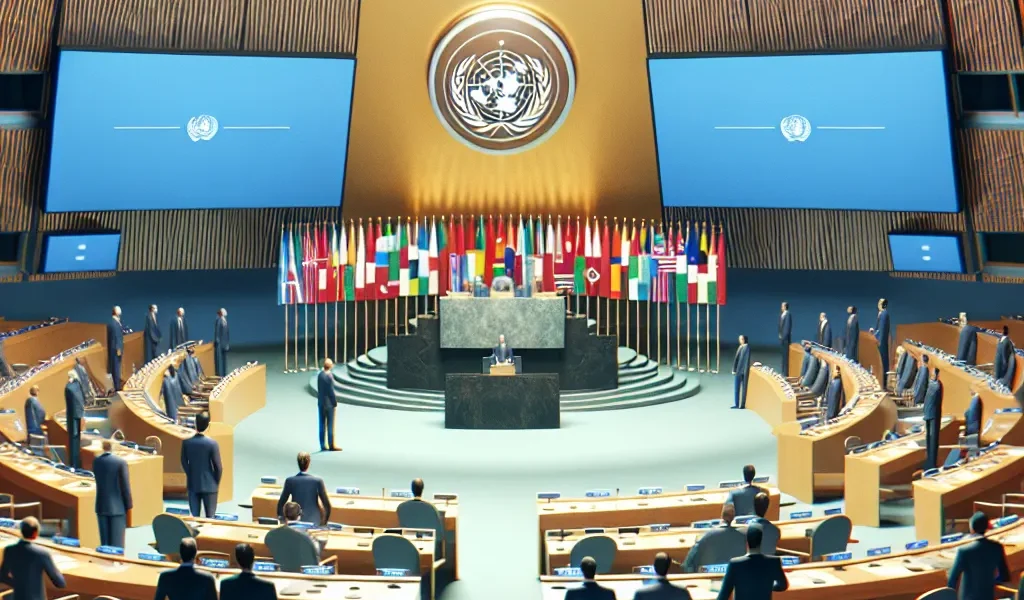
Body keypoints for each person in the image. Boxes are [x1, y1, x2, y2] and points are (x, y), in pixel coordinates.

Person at [0, 517, 66, 600]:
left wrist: (19, 585)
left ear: (21, 531)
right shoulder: (42, 553)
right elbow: (60, 583)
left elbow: (2, 576)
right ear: (35, 533)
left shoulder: (9, 550)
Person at [716, 524, 788, 600]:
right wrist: (767, 586)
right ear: (760, 542)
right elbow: (783, 586)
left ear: (747, 543)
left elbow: (723, 596)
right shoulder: (773, 562)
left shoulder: (735, 564)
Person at [947, 511, 1009, 599]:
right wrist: (989, 581)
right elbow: (1005, 577)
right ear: (987, 527)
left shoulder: (964, 550)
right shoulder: (997, 547)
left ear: (972, 528)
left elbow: (952, 580)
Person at [683, 503, 745, 573]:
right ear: (734, 517)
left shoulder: (703, 537)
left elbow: (687, 566)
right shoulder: (745, 538)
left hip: (707, 578)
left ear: (722, 516)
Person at [181, 411, 222, 517]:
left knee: (195, 517)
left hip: (193, 484)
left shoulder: (187, 442)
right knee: (210, 518)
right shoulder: (212, 444)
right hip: (210, 485)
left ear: (195, 424)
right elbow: (218, 467)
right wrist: (215, 482)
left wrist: (190, 474)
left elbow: (184, 462)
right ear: (208, 425)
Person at [93, 439, 133, 548]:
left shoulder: (96, 461)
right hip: (118, 508)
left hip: (101, 506)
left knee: (105, 545)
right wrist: (129, 505)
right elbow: (125, 486)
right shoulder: (120, 462)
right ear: (113, 447)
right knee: (117, 546)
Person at [277, 452, 331, 526]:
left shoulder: (290, 481)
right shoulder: (318, 481)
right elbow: (327, 505)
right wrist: (324, 523)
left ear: (298, 462)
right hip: (314, 521)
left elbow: (280, 504)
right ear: (309, 462)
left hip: (295, 521)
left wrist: (282, 521)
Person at [317, 359, 340, 452]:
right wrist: (334, 402)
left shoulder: (320, 375)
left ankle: (322, 445)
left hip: (321, 402)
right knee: (330, 425)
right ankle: (331, 445)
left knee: (322, 424)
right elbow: (331, 391)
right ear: (330, 366)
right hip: (329, 404)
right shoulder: (330, 376)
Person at [64, 370, 85, 469]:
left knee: (73, 440)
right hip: (79, 416)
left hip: (73, 417)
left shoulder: (69, 387)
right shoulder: (78, 386)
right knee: (76, 440)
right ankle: (76, 462)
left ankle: (74, 463)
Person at [923, 368, 943, 470]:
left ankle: (932, 463)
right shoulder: (932, 384)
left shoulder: (937, 386)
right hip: (928, 414)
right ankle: (929, 461)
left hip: (933, 415)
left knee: (933, 440)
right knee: (929, 439)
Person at [106, 305, 124, 391]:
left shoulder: (114, 321)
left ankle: (117, 384)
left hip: (114, 348)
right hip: (116, 349)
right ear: (115, 312)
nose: (120, 311)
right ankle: (117, 386)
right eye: (119, 309)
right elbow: (116, 337)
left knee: (116, 367)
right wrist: (118, 349)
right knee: (116, 367)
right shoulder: (114, 323)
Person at [871, 299, 890, 373]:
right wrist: (874, 331)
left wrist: (877, 339)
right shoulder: (881, 314)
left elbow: (882, 329)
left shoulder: (884, 314)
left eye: (880, 303)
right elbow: (879, 328)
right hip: (879, 340)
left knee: (882, 358)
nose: (878, 305)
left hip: (881, 341)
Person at [732, 335, 751, 409]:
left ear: (743, 340)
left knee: (743, 388)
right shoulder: (741, 347)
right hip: (738, 370)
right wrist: (734, 369)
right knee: (737, 388)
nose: (739, 340)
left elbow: (745, 361)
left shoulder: (746, 348)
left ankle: (741, 404)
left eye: (740, 339)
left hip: (742, 371)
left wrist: (743, 371)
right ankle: (737, 404)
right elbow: (736, 359)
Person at [214, 308, 230, 376]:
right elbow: (217, 332)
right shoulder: (219, 320)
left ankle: (224, 373)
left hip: (225, 344)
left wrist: (227, 343)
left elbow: (227, 333)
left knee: (224, 359)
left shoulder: (225, 320)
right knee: (220, 360)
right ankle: (220, 374)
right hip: (220, 344)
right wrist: (217, 341)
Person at [778, 302, 792, 375]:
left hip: (785, 339)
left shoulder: (788, 314)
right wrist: (780, 334)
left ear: (785, 307)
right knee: (783, 356)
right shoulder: (782, 315)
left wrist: (783, 337)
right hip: (782, 339)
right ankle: (783, 371)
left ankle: (785, 373)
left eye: (782, 306)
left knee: (786, 356)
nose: (781, 307)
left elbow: (787, 328)